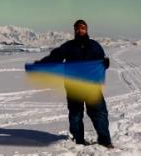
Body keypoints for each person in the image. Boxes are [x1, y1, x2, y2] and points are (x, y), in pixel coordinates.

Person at [37, 19, 113, 148]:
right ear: (74, 30)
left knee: (99, 113)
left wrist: (105, 64)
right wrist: (41, 64)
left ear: (86, 29)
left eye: (82, 28)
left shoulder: (95, 46)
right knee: (76, 115)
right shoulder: (68, 46)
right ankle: (79, 141)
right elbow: (54, 57)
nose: (80, 30)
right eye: (77, 28)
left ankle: (105, 141)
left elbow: (101, 62)